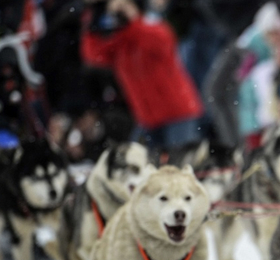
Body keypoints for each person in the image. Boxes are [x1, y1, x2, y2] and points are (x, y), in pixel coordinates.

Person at [80, 0, 203, 163]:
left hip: (177, 114)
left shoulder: (151, 27)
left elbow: (163, 41)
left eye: (124, 7)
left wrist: (131, 21)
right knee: (141, 165)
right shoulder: (120, 43)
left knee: (182, 167)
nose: (120, 14)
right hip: (148, 119)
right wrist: (94, 23)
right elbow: (92, 55)